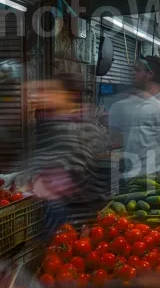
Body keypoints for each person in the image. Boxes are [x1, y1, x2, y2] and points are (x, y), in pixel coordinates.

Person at [24, 74, 108, 237]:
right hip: (57, 208)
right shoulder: (52, 123)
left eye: (54, 90)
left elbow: (76, 169)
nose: (47, 95)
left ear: (71, 95)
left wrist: (41, 183)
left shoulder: (81, 126)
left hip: (74, 211)